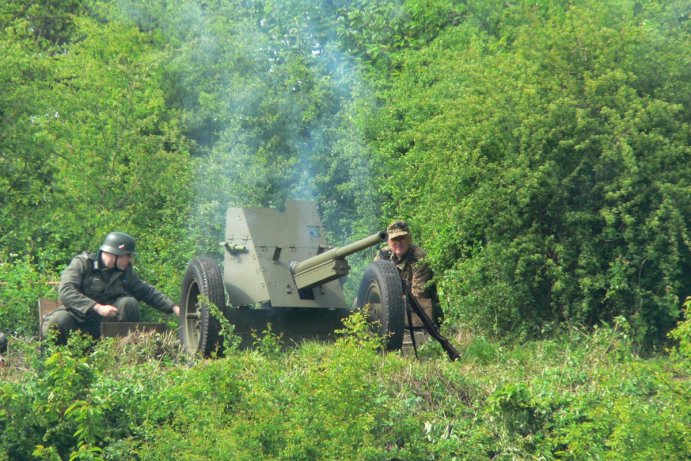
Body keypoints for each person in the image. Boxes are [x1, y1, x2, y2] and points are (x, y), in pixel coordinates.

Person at [41, 231, 180, 344]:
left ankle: (126, 355)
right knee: (60, 319)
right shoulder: (82, 264)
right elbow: (66, 291)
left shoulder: (124, 272)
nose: (130, 260)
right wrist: (97, 307)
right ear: (115, 254)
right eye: (128, 256)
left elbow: (146, 291)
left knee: (128, 303)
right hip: (76, 320)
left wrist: (173, 307)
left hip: (104, 327)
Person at [375, 220, 443, 328]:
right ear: (388, 241)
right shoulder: (383, 256)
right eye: (394, 239)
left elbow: (418, 294)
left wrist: (390, 305)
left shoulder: (419, 257)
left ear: (409, 238)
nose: (399, 242)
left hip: (420, 312)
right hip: (391, 309)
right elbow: (374, 284)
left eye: (402, 238)